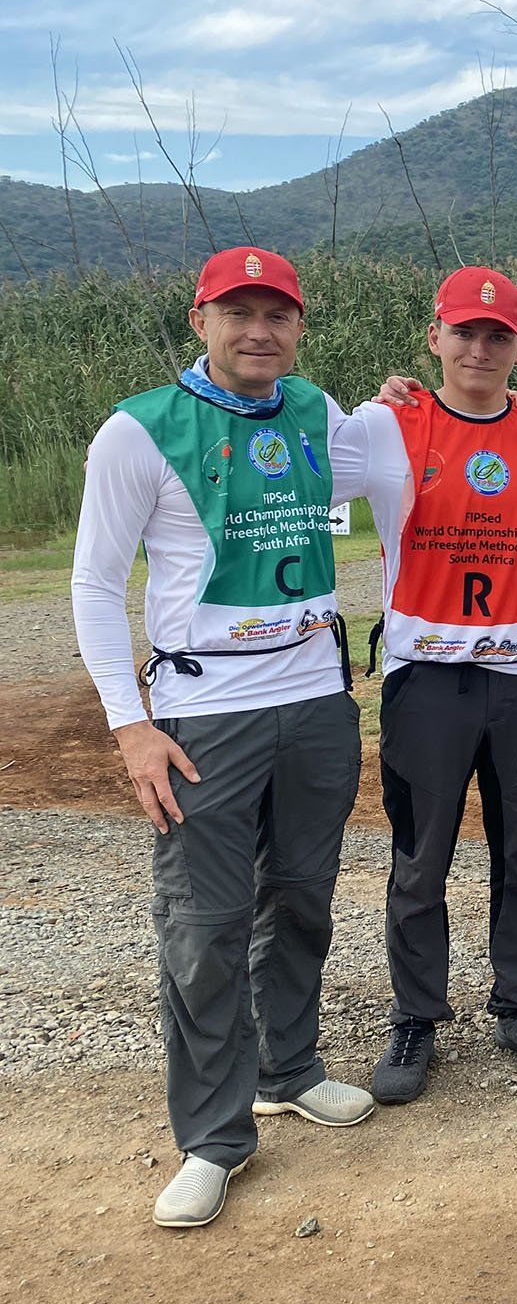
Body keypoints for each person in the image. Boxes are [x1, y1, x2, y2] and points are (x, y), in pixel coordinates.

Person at [71, 247, 374, 1228]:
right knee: (203, 928)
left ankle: (288, 1068)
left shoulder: (317, 411)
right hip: (202, 714)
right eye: (237, 312)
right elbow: (91, 583)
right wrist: (131, 728)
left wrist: (397, 400)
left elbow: (365, 476)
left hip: (317, 703)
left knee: (300, 899)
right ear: (199, 318)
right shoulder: (137, 432)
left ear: (297, 325)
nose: (260, 331)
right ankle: (213, 1136)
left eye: (277, 314)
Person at [353, 267, 517, 1104]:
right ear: (435, 337)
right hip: (427, 679)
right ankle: (417, 1013)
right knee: (420, 859)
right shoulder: (389, 425)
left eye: (498, 336)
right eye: (465, 332)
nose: (480, 348)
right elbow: (295, 477)